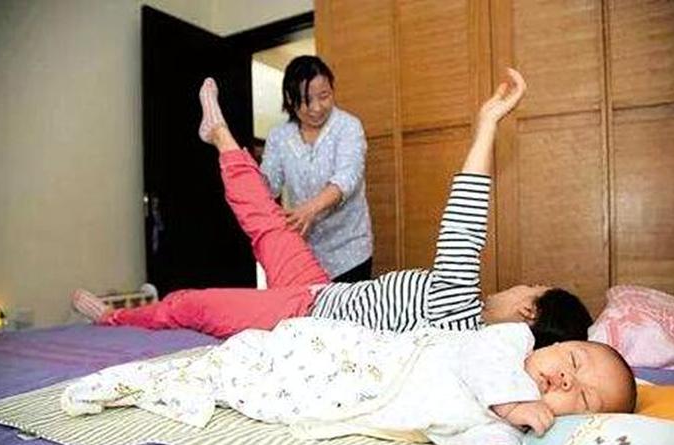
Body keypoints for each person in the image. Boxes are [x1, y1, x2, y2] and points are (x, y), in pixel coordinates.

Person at [73, 68, 592, 346]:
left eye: (531, 287)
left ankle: (114, 320)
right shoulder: (467, 313)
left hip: (302, 316)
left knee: (194, 304)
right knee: (268, 221)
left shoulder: (462, 319)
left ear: (528, 310)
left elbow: (464, 222)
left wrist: (488, 124)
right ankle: (220, 134)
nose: (520, 284)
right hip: (320, 291)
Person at [62, 317, 638, 445]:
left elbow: (470, 436)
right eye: (575, 358)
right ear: (556, 342)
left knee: (257, 394)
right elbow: (478, 360)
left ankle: (193, 376)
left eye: (582, 396)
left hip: (341, 401)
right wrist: (513, 402)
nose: (568, 377)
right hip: (356, 358)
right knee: (254, 359)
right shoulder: (509, 343)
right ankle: (157, 377)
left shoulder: (504, 424)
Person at [261, 55, 373, 282]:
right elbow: (269, 186)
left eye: (324, 96)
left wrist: (309, 209)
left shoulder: (348, 127)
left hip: (350, 252)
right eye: (306, 100)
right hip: (304, 254)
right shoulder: (279, 137)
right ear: (290, 98)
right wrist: (247, 174)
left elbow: (347, 178)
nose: (316, 108)